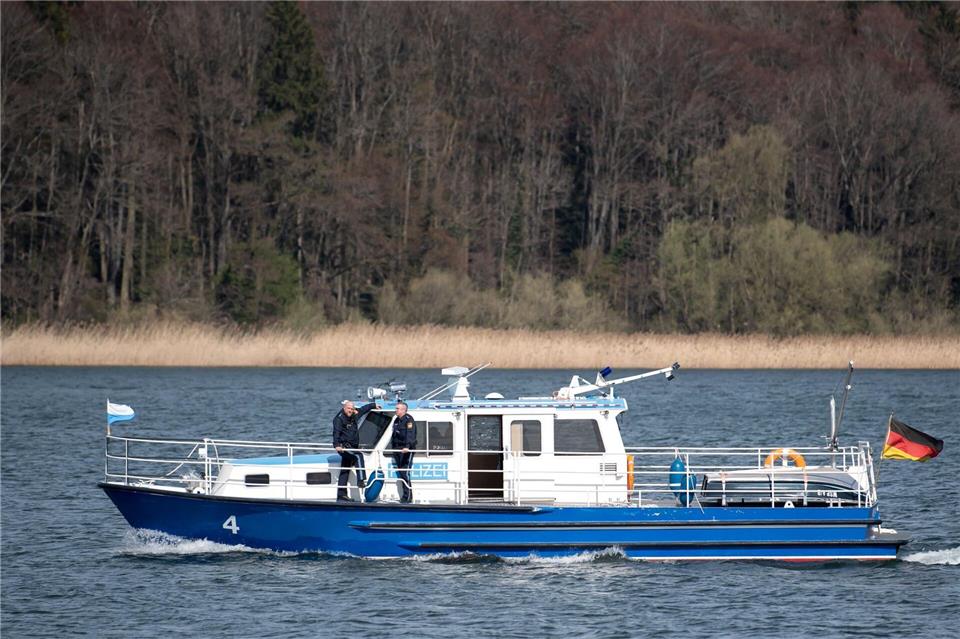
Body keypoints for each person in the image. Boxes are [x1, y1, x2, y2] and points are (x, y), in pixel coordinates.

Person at [332, 399, 376, 502]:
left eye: (352, 409)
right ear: (344, 408)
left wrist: (373, 405)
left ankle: (341, 495)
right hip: (344, 447)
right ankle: (361, 480)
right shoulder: (339, 419)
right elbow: (336, 433)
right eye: (348, 408)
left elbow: (363, 410)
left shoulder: (354, 415)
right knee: (358, 456)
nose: (350, 410)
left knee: (345, 470)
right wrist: (337, 445)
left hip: (352, 446)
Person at [390, 401, 417, 503]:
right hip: (397, 449)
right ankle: (404, 495)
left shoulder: (408, 420)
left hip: (406, 450)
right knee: (401, 473)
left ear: (403, 410)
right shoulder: (397, 420)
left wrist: (407, 447)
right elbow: (394, 435)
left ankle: (408, 496)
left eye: (397, 408)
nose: (395, 410)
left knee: (405, 472)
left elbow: (410, 435)